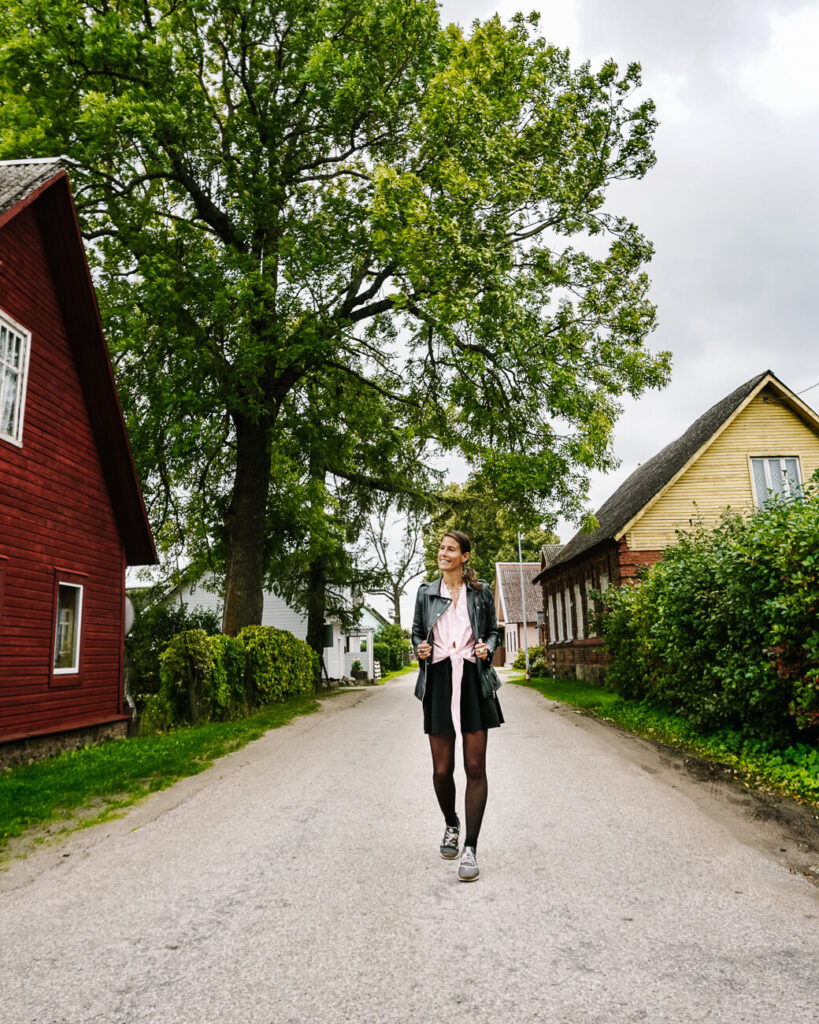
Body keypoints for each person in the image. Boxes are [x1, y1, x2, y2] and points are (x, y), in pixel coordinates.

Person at [411, 530, 503, 882]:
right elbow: (418, 633)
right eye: (440, 548)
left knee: (475, 766)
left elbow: (493, 632)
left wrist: (486, 648)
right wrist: (420, 647)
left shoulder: (480, 594)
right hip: (438, 680)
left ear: (465, 556)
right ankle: (451, 823)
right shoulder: (425, 594)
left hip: (472, 680)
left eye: (450, 549)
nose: (443, 553)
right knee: (441, 770)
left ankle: (470, 848)